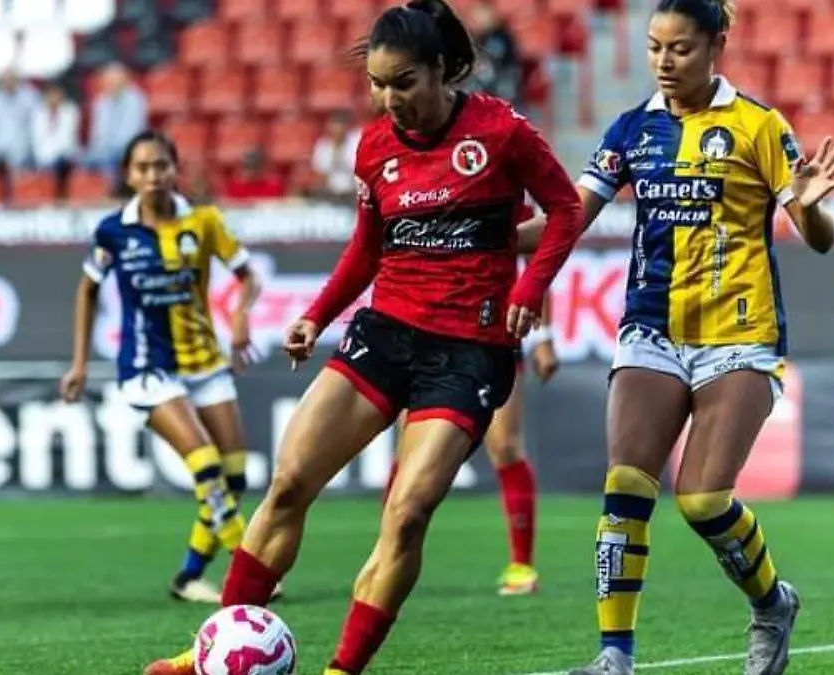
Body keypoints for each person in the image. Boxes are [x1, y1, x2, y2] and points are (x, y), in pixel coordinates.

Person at [144, 2, 584, 673]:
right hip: (385, 332)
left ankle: (341, 668)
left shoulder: (501, 131)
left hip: (468, 352)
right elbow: (367, 246)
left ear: (440, 70)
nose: (389, 99)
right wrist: (317, 316)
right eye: (378, 84)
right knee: (289, 480)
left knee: (406, 515)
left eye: (403, 82)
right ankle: (213, 645)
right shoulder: (375, 145)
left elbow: (565, 209)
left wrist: (528, 291)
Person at [564, 1, 834, 674]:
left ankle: (773, 602)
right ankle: (614, 656)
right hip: (651, 329)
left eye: (681, 48)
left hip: (738, 335)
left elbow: (821, 239)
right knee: (626, 486)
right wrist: (483, 237)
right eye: (655, 47)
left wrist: (809, 210)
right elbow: (565, 223)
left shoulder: (758, 125)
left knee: (700, 499)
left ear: (717, 43)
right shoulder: (631, 129)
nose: (665, 61)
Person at [59, 130, 268, 605]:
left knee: (235, 479)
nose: (153, 176)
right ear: (129, 176)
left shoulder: (205, 221)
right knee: (207, 467)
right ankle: (250, 571)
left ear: (175, 169)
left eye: (161, 166)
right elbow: (87, 290)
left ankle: (188, 577)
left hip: (205, 360)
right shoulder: (114, 230)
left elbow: (248, 275)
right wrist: (79, 365)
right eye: (142, 168)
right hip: (147, 366)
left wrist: (240, 316)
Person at [383, 205, 560, 598]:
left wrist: (544, 335)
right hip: (426, 334)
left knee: (506, 446)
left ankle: (521, 564)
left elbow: (538, 262)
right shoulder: (418, 187)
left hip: (493, 337)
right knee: (408, 452)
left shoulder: (505, 189)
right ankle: (386, 556)